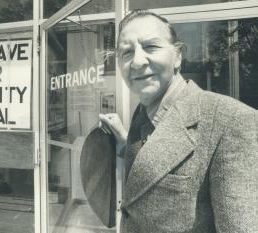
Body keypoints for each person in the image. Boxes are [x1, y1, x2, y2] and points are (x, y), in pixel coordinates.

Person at [99, 10, 258, 233]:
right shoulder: (142, 113)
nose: (136, 61)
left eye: (151, 46)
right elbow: (151, 171)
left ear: (178, 56)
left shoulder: (231, 121)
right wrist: (125, 142)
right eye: (126, 52)